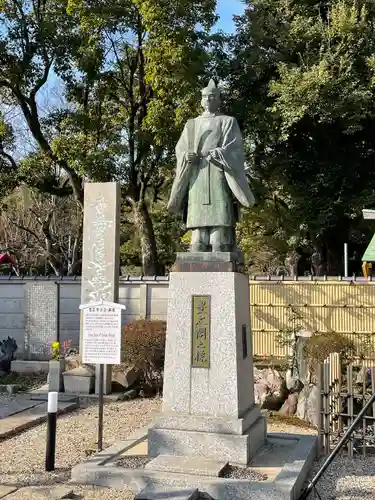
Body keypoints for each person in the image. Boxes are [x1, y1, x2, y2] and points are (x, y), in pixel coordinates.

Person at [167, 79, 255, 252]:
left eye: (212, 96)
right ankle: (197, 238)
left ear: (219, 100)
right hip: (196, 171)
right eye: (205, 96)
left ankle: (219, 237)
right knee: (196, 203)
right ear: (201, 100)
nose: (208, 99)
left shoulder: (227, 121)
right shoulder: (191, 124)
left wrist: (219, 153)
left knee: (219, 201)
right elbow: (181, 148)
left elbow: (235, 148)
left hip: (218, 169)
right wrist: (186, 156)